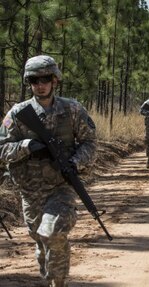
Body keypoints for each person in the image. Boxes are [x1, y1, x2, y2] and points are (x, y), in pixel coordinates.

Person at [0, 55, 97, 287]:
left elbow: (90, 144)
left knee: (53, 232)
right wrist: (26, 146)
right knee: (41, 238)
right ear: (28, 82)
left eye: (45, 79)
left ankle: (58, 282)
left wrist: (75, 162)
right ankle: (49, 277)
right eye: (34, 80)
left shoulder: (72, 109)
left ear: (55, 80)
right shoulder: (18, 113)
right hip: (29, 190)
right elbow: (2, 149)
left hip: (60, 187)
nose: (40, 84)